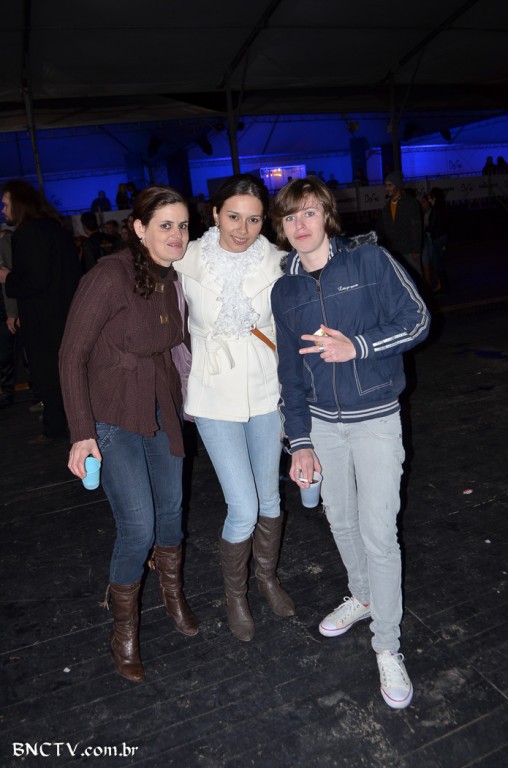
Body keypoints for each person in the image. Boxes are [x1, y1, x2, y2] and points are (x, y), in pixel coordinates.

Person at [270, 176, 430, 709]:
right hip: (322, 427)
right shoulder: (284, 290)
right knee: (340, 519)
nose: (299, 225)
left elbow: (418, 321)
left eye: (308, 213)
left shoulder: (369, 262)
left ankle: (387, 644)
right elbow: (289, 374)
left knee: (379, 533)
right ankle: (362, 595)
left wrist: (356, 347)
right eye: (289, 217)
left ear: (327, 215)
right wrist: (300, 441)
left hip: (376, 419)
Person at [59, 185, 199, 682]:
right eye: (165, 225)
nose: (177, 235)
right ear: (139, 228)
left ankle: (172, 595)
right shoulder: (108, 276)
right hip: (111, 416)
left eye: (183, 225)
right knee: (138, 527)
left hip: (162, 408)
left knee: (172, 514)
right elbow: (71, 355)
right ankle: (123, 630)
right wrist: (82, 432)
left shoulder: (174, 278)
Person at [174, 174, 294, 642]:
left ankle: (266, 577)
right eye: (233, 217)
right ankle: (235, 595)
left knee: (270, 498)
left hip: (266, 387)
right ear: (214, 214)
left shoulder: (277, 261)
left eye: (254, 219)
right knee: (243, 506)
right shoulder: (186, 258)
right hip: (212, 391)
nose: (243, 229)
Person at [0, 180, 81, 443]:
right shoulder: (55, 228)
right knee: (66, 373)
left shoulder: (29, 234)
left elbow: (35, 280)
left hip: (44, 318)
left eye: (6, 204)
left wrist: (8, 278)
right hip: (64, 313)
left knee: (48, 375)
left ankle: (58, 428)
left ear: (19, 204)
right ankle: (66, 426)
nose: (3, 210)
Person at [376, 171, 423, 278]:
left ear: (397, 185)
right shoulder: (386, 207)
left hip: (409, 250)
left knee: (416, 278)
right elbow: (383, 229)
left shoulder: (411, 203)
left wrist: (416, 249)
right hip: (394, 251)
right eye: (386, 185)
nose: (387, 188)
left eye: (390, 185)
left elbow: (416, 227)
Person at [427, 187, 449, 294]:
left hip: (437, 238)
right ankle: (443, 285)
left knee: (438, 263)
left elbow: (432, 226)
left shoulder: (435, 210)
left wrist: (424, 228)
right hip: (442, 237)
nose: (429, 200)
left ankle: (443, 286)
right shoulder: (443, 208)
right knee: (440, 262)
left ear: (434, 198)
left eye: (430, 198)